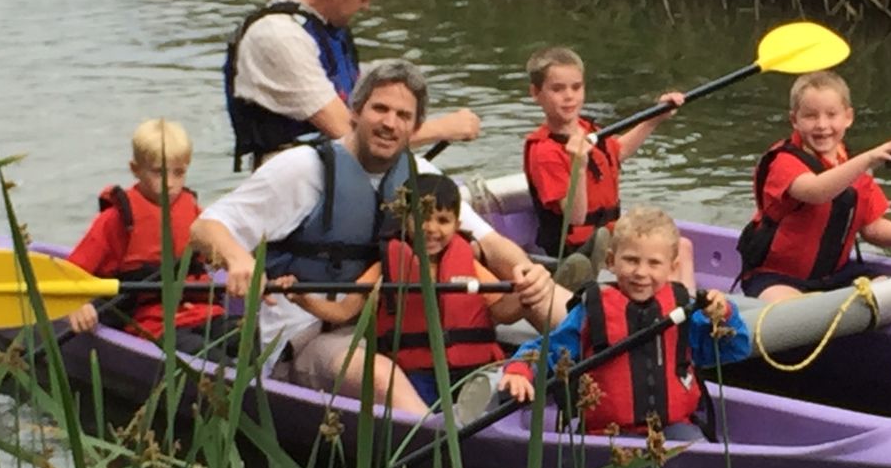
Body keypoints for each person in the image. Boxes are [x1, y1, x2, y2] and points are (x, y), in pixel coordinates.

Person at [191, 59, 563, 414]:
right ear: (354, 111)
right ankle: (446, 457)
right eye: (379, 109)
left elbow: (490, 242)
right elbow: (206, 227)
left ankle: (599, 373)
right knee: (382, 376)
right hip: (314, 332)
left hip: (399, 327)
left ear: (415, 127)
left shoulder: (418, 175)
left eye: (403, 115)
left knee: (539, 292)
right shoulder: (302, 169)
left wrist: (526, 271)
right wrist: (238, 257)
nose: (390, 123)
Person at [222, 0, 484, 168]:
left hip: (337, 173)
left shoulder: (323, 24)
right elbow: (350, 134)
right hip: (292, 183)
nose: (366, 7)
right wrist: (445, 128)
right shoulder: (279, 37)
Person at [497, 207, 752, 442]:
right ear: (610, 261)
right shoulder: (591, 312)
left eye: (654, 263)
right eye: (631, 260)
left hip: (673, 429)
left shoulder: (685, 311)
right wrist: (520, 370)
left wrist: (726, 315)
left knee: (699, 452)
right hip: (605, 436)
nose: (641, 272)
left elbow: (735, 349)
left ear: (672, 268)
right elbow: (549, 350)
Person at [289, 173, 522, 409]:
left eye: (443, 220)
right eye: (421, 219)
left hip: (474, 369)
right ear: (404, 220)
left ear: (457, 225)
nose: (431, 229)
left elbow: (504, 312)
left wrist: (524, 297)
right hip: (416, 373)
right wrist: (303, 299)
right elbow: (341, 312)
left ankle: (473, 417)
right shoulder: (386, 268)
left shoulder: (470, 265)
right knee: (424, 404)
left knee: (494, 394)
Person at [734, 70, 891, 303]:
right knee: (794, 311)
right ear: (794, 120)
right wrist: (868, 159)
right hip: (776, 277)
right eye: (811, 116)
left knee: (888, 294)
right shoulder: (783, 162)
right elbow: (817, 191)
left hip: (835, 276)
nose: (822, 125)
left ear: (848, 117)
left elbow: (871, 227)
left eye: (831, 115)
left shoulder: (852, 165)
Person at [63, 119, 240, 354]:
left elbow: (227, 254)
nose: (170, 184)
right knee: (202, 352)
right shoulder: (116, 220)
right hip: (152, 323)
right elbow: (70, 274)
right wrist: (77, 305)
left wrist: (251, 272)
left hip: (203, 312)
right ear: (135, 169)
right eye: (159, 172)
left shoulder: (196, 215)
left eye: (179, 173)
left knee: (246, 338)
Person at [520, 46, 685, 277]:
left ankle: (685, 308)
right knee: (656, 255)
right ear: (536, 93)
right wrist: (579, 166)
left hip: (609, 232)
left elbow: (617, 152)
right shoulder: (545, 152)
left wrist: (654, 117)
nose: (569, 96)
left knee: (682, 247)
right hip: (576, 249)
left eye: (576, 87)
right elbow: (575, 217)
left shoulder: (588, 129)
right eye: (558, 89)